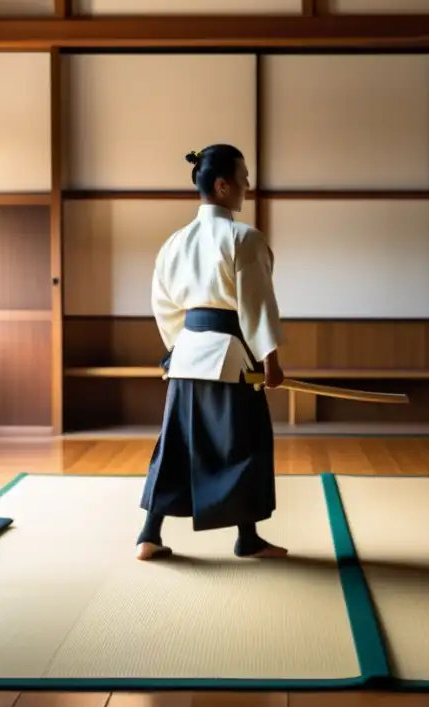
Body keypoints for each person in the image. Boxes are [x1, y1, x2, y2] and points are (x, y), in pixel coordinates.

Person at [136, 144, 289, 562]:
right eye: (242, 177)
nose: (247, 185)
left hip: (187, 355)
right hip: (231, 358)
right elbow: (257, 304)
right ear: (222, 185)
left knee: (176, 443)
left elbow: (163, 305)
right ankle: (248, 537)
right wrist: (271, 360)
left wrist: (176, 348)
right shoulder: (243, 238)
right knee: (244, 443)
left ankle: (148, 533)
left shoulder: (175, 242)